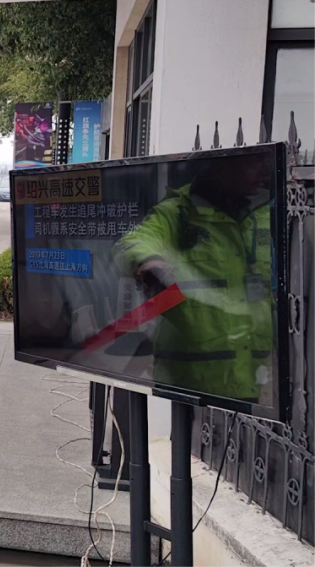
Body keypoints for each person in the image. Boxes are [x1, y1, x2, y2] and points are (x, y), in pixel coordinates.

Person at [112, 156, 274, 402]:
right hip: (191, 387)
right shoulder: (179, 212)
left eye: (268, 161)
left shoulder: (265, 215)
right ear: (222, 166)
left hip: (255, 383)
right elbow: (132, 242)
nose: (265, 169)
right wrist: (150, 262)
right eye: (254, 161)